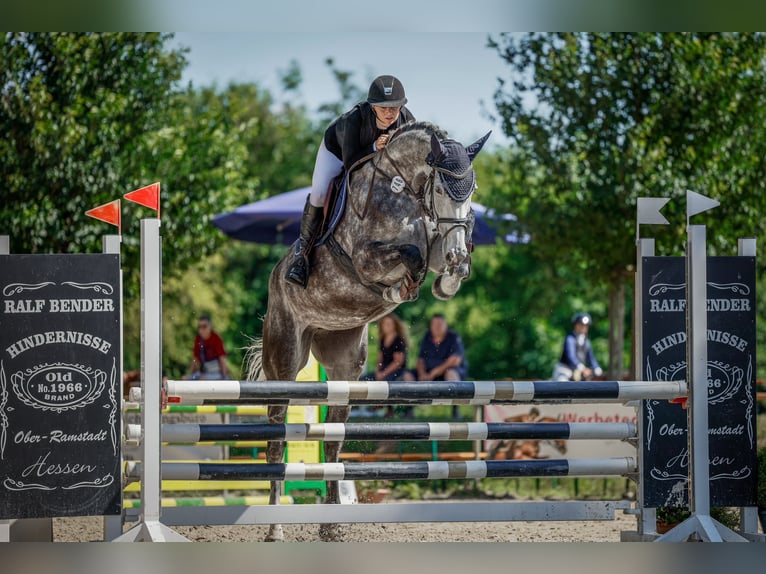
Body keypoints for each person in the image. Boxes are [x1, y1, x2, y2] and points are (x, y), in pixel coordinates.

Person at [285, 75, 416, 288]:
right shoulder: (354, 120)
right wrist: (374, 147)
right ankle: (302, 257)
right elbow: (350, 163)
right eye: (384, 108)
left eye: (395, 107)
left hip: (379, 163)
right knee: (318, 195)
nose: (391, 113)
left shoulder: (407, 121)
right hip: (338, 153)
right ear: (373, 106)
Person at [405, 314, 467, 418]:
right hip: (428, 373)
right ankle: (409, 410)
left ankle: (455, 410)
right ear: (431, 325)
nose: (437, 327)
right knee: (407, 375)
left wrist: (435, 372)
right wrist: (422, 374)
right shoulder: (427, 337)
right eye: (434, 324)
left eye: (440, 324)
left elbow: (455, 360)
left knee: (451, 373)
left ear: (446, 325)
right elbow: (420, 359)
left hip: (447, 373)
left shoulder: (453, 337)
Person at [360, 314, 409, 418]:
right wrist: (378, 371)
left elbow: (398, 362)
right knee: (366, 379)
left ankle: (382, 404)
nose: (386, 326)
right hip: (384, 370)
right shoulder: (383, 339)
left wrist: (383, 373)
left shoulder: (398, 340)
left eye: (389, 324)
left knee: (386, 381)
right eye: (384, 324)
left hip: (397, 371)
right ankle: (375, 403)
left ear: (394, 325)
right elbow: (380, 359)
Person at [552, 312, 603, 382]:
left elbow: (591, 358)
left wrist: (597, 368)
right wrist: (583, 368)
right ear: (575, 325)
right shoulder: (570, 339)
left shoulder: (587, 341)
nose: (583, 327)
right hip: (565, 371)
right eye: (581, 324)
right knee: (562, 386)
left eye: (586, 325)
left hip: (578, 373)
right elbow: (571, 357)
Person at [186, 314, 230, 380]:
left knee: (202, 379)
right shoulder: (198, 339)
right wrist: (190, 376)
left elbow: (222, 359)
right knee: (186, 379)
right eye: (199, 327)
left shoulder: (216, 338)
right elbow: (195, 360)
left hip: (217, 373)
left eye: (204, 326)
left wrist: (224, 377)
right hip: (204, 372)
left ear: (210, 327)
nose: (201, 329)